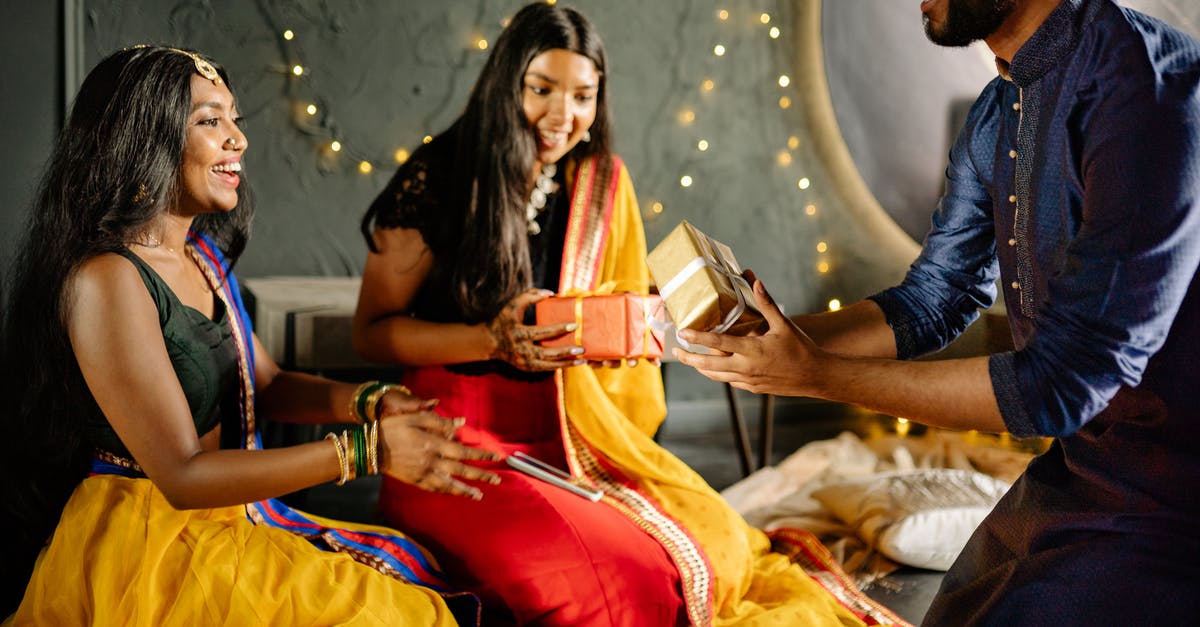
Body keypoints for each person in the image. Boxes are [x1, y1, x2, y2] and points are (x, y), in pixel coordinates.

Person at [354, 3, 904, 626]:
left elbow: (624, 308)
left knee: (716, 550)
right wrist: (489, 339)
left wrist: (665, 323)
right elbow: (371, 334)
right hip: (454, 441)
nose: (563, 116)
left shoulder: (598, 183)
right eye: (542, 89)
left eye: (583, 96)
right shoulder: (438, 180)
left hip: (576, 433)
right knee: (621, 587)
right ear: (506, 84)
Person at [675, 0, 1200, 624]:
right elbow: (934, 298)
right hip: (1083, 475)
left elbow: (1064, 385)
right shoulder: (998, 109)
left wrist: (814, 375)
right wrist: (768, 337)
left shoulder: (1148, 92)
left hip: (1177, 506)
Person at [0, 44, 505, 626]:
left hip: (234, 517)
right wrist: (368, 451)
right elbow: (184, 476)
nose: (238, 140)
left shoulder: (202, 257)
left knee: (425, 592)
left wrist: (371, 401)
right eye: (211, 121)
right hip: (153, 540)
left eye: (234, 119)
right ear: (144, 137)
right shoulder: (106, 279)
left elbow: (264, 383)